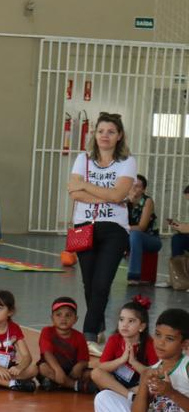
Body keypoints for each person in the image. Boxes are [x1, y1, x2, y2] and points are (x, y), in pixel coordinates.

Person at [67, 113, 137, 350]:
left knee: (102, 283)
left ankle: (87, 335)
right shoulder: (83, 159)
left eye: (111, 132)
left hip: (114, 230)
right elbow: (74, 193)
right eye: (101, 131)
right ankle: (98, 327)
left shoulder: (127, 162)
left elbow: (118, 195)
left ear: (119, 136)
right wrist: (108, 195)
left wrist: (86, 185)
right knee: (89, 283)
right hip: (84, 227)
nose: (105, 136)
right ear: (94, 134)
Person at [94, 308, 189, 412]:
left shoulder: (186, 367)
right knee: (104, 398)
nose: (160, 343)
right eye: (158, 335)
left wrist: (171, 393)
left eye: (169, 338)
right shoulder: (153, 369)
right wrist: (144, 381)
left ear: (185, 343)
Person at [90, 296, 158, 398]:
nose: (125, 324)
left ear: (142, 326)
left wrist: (133, 362)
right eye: (121, 319)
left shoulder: (149, 343)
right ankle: (129, 396)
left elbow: (154, 373)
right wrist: (121, 360)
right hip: (114, 382)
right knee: (96, 373)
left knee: (153, 385)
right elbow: (102, 367)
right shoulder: (114, 339)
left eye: (131, 321)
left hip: (136, 385)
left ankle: (120, 395)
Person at [36, 297, 93, 393]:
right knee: (42, 368)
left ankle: (57, 383)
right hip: (53, 368)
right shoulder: (47, 331)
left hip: (71, 371)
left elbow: (84, 360)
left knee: (91, 373)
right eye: (58, 315)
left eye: (68, 315)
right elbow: (47, 354)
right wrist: (57, 370)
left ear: (75, 319)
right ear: (52, 318)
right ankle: (74, 385)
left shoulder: (80, 336)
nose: (63, 318)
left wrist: (78, 367)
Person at [126, 175, 161, 286]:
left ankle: (134, 276)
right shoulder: (125, 200)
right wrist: (126, 202)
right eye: (132, 185)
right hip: (131, 237)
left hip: (151, 240)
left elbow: (142, 227)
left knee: (135, 234)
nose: (134, 188)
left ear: (143, 190)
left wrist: (123, 227)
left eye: (138, 186)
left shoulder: (147, 201)